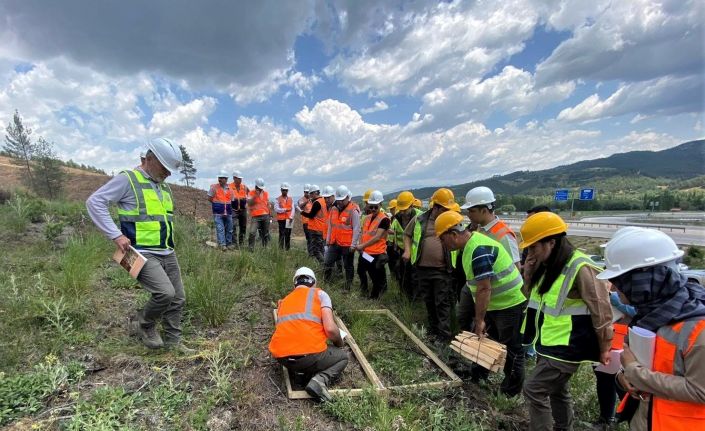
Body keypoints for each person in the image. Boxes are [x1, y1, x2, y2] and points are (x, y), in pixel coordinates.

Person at [86, 138, 193, 353]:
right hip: (139, 252)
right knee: (165, 293)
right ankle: (144, 324)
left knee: (178, 297)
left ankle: (173, 342)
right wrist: (115, 235)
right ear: (150, 158)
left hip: (167, 251)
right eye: (165, 168)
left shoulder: (163, 186)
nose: (168, 174)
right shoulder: (128, 180)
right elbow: (94, 202)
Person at [597, 227, 705, 431]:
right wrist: (623, 376)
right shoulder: (650, 317)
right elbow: (646, 366)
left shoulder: (698, 328)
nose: (614, 289)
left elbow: (700, 391)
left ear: (643, 282)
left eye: (620, 283)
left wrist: (633, 372)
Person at [519, 212, 613, 431]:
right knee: (557, 391)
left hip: (568, 347)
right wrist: (529, 274)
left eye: (534, 247)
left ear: (552, 242)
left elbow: (601, 309)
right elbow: (531, 298)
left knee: (534, 389)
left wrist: (605, 346)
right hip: (548, 342)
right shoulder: (548, 264)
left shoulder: (581, 266)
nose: (530, 252)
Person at [434, 211, 526, 396]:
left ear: (453, 235)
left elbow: (484, 288)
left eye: (443, 240)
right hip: (496, 304)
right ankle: (479, 375)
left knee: (512, 349)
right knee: (486, 339)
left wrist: (479, 319)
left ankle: (510, 392)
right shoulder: (471, 244)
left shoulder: (478, 250)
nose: (443, 244)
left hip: (509, 304)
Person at [269, 267, 348, 402]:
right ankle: (320, 380)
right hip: (309, 357)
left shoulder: (284, 301)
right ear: (314, 283)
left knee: (302, 350)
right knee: (342, 358)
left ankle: (299, 374)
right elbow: (330, 329)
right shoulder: (320, 294)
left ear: (295, 284)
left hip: (282, 357)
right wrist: (339, 342)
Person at [457, 186, 522, 333]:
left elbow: (516, 267)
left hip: (500, 298)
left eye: (472, 211)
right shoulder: (480, 229)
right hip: (483, 291)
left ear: (484, 210)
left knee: (503, 337)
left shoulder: (503, 234)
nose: (468, 215)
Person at [402, 188, 458, 342]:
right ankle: (433, 330)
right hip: (422, 268)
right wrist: (407, 251)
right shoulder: (420, 219)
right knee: (429, 301)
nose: (447, 211)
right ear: (436, 207)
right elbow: (406, 234)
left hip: (442, 269)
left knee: (442, 303)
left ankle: (444, 336)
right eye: (445, 209)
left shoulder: (452, 219)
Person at [324, 186, 360, 289]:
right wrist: (328, 240)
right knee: (328, 262)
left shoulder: (353, 210)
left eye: (342, 200)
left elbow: (357, 229)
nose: (340, 202)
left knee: (348, 266)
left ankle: (348, 286)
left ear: (348, 198)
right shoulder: (334, 209)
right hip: (334, 242)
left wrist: (353, 244)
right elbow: (331, 226)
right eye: (338, 200)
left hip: (347, 245)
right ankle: (326, 282)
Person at [356, 191, 390, 299]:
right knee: (361, 271)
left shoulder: (384, 219)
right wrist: (361, 246)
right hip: (365, 252)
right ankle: (364, 290)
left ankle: (374, 297)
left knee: (375, 275)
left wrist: (362, 246)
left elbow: (377, 237)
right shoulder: (367, 218)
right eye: (371, 207)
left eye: (376, 207)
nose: (373, 209)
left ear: (380, 205)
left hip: (375, 253)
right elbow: (363, 233)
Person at [393, 191, 423, 299]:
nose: (403, 212)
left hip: (417, 253)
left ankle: (415, 299)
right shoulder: (397, 217)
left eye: (405, 210)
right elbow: (396, 232)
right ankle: (404, 295)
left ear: (411, 206)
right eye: (401, 210)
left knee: (415, 276)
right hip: (402, 251)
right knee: (402, 274)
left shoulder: (421, 217)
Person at [300, 185, 327, 263]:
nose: (310, 195)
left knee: (316, 250)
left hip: (316, 228)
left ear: (315, 193)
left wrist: (302, 212)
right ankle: (324, 265)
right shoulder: (323, 200)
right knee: (321, 248)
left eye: (311, 193)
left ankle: (324, 265)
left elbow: (311, 215)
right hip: (322, 228)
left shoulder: (317, 203)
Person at [208, 171, 234, 250]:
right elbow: (209, 198)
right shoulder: (214, 188)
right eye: (219, 178)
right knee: (220, 229)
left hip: (228, 212)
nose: (219, 179)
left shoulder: (230, 189)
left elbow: (231, 200)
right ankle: (222, 245)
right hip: (218, 212)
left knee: (229, 229)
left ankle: (228, 244)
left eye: (221, 178)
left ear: (226, 179)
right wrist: (217, 205)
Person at [247, 177, 271, 250]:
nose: (261, 189)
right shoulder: (251, 193)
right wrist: (255, 196)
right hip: (255, 216)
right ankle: (251, 248)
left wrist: (270, 215)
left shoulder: (266, 193)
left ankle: (265, 247)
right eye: (259, 188)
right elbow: (249, 203)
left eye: (261, 188)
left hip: (266, 216)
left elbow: (268, 204)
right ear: (256, 186)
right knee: (252, 232)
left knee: (265, 233)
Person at [228, 171, 249, 248]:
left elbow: (249, 195)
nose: (240, 180)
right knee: (233, 226)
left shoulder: (244, 187)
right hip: (233, 209)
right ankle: (234, 243)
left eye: (241, 178)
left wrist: (247, 202)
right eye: (238, 178)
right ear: (234, 178)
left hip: (243, 210)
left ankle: (241, 243)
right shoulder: (229, 186)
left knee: (243, 227)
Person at [274, 182, 294, 250]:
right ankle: (281, 249)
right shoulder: (278, 199)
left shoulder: (291, 199)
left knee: (288, 234)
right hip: (281, 219)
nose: (285, 191)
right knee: (282, 234)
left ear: (287, 190)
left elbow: (293, 209)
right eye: (283, 190)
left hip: (289, 219)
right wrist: (285, 209)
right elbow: (276, 209)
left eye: (286, 190)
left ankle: (287, 249)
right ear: (281, 190)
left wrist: (291, 217)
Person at [298, 184, 312, 255]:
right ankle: (310, 253)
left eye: (309, 192)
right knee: (309, 239)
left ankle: (313, 253)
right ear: (304, 192)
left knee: (313, 238)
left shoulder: (312, 199)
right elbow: (300, 206)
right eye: (306, 192)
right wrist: (307, 201)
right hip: (306, 222)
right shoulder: (301, 200)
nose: (307, 193)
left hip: (313, 222)